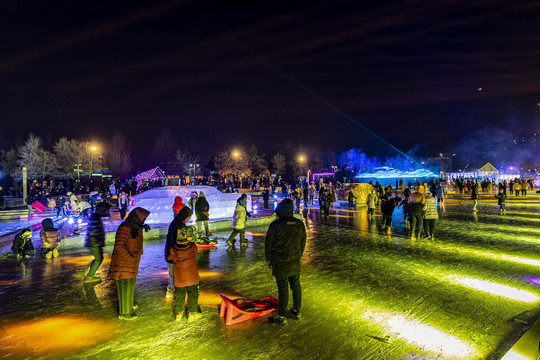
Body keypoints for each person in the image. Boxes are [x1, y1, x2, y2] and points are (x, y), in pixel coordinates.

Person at [265, 199, 306, 324]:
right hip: (294, 261)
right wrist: (299, 255)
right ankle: (296, 310)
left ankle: (282, 315)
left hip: (280, 261)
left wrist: (269, 259)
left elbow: (269, 244)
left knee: (282, 288)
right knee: (296, 285)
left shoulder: (275, 225)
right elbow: (303, 242)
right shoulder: (299, 224)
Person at [108, 207, 150, 320]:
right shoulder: (125, 228)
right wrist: (130, 257)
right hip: (123, 263)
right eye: (142, 219)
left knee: (130, 285)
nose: (143, 221)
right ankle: (125, 313)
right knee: (125, 286)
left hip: (131, 263)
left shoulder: (134, 227)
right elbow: (119, 246)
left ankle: (128, 305)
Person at [167, 224, 202, 322]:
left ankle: (179, 314)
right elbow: (195, 252)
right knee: (193, 294)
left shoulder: (173, 249)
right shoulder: (192, 247)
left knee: (179, 295)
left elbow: (169, 258)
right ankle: (191, 313)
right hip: (191, 277)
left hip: (179, 279)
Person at [76, 202, 110, 283]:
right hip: (94, 242)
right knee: (99, 259)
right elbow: (95, 231)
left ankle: (82, 271)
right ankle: (89, 276)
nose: (106, 212)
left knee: (98, 258)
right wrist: (99, 241)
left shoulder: (95, 216)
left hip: (93, 242)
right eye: (105, 211)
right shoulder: (96, 217)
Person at [165, 206, 193, 298]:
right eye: (188, 217)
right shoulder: (178, 226)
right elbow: (176, 242)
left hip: (171, 254)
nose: (188, 219)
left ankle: (169, 291)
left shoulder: (176, 223)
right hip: (173, 255)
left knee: (172, 274)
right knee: (174, 275)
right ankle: (174, 295)